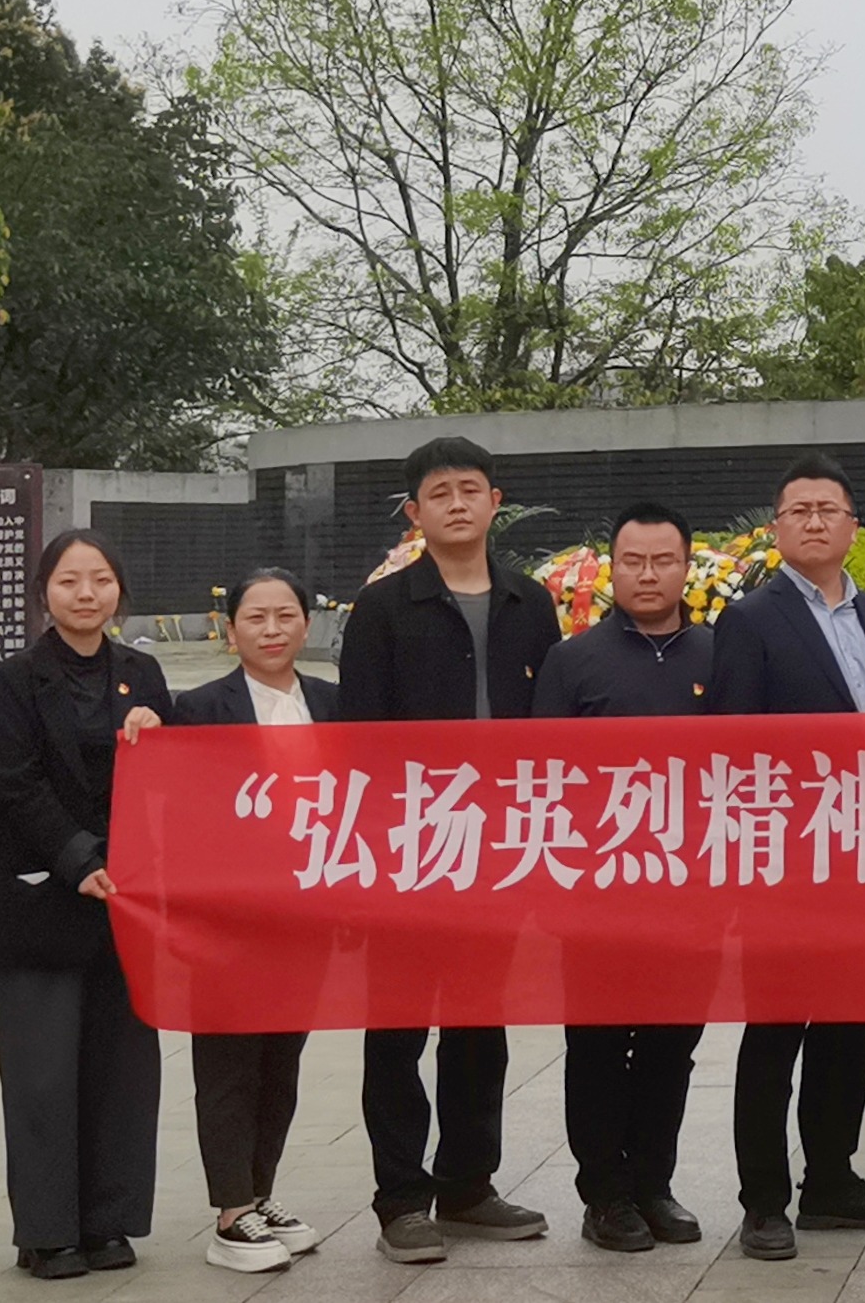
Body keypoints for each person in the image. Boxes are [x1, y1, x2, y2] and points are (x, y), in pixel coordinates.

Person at [337, 434, 558, 1260]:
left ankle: (467, 1184)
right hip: (408, 852)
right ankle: (400, 1199)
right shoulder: (382, 608)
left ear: (496, 501)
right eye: (440, 492)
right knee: (397, 1028)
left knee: (478, 1023)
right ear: (414, 511)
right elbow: (358, 745)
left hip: (499, 850)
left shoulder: (530, 602)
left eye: (471, 488)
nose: (457, 503)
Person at [709, 455, 865, 1260]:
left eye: (829, 508)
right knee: (774, 1033)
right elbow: (734, 749)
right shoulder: (750, 619)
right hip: (786, 863)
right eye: (799, 509)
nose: (815, 521)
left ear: (852, 526)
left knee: (848, 1029)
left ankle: (830, 1178)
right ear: (777, 527)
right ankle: (763, 1200)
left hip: (864, 857)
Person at [0, 529, 170, 1278]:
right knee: (42, 1075)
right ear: (44, 592)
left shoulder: (143, 674)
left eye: (100, 579)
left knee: (122, 1069)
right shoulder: (12, 679)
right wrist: (79, 858)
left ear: (119, 589)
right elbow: (18, 783)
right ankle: (47, 1231)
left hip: (127, 899)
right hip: (42, 896)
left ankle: (108, 1222)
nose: (86, 593)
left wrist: (160, 733)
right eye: (68, 580)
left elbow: (169, 783)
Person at [533, 505, 715, 1256]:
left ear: (686, 567)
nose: (648, 574)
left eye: (663, 560)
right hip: (598, 891)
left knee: (672, 1046)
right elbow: (543, 780)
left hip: (693, 891)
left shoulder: (718, 653)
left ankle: (653, 1184)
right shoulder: (573, 661)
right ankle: (604, 1194)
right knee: (600, 1045)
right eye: (633, 560)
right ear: (613, 568)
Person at [162, 569, 340, 1275]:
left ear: (306, 624)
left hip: (305, 913)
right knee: (228, 1063)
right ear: (230, 630)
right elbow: (177, 809)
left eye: (285, 615)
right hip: (227, 917)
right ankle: (230, 1211)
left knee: (280, 1062)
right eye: (255, 617)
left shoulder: (333, 703)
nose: (271, 629)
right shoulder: (199, 708)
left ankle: (261, 1192)